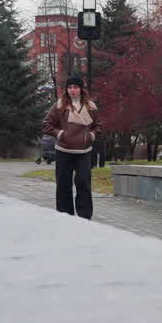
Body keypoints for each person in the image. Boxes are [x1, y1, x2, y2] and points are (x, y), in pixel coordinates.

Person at [42, 76, 102, 219]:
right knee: (63, 185)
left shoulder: (91, 107)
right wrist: (60, 134)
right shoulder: (60, 105)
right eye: (70, 87)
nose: (72, 90)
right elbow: (47, 125)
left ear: (81, 89)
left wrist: (92, 135)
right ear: (66, 90)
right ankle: (64, 216)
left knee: (84, 183)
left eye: (75, 87)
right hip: (64, 151)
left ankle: (84, 216)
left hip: (84, 151)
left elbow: (98, 126)